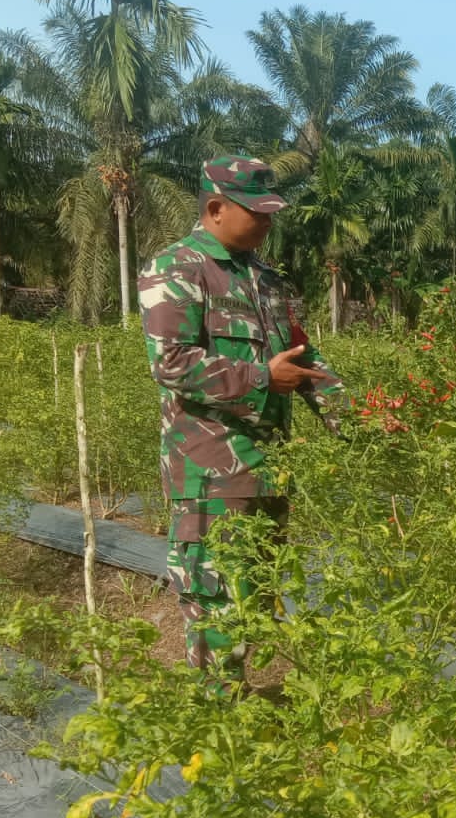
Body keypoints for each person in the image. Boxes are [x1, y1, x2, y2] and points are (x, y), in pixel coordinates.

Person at [139, 155, 342, 679]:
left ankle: (241, 721)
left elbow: (302, 356)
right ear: (215, 208)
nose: (269, 224)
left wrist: (359, 421)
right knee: (216, 606)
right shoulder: (178, 269)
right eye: (259, 213)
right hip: (210, 471)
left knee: (257, 597)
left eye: (273, 213)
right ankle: (215, 724)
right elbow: (171, 363)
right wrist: (261, 378)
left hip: (269, 467)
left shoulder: (265, 279)